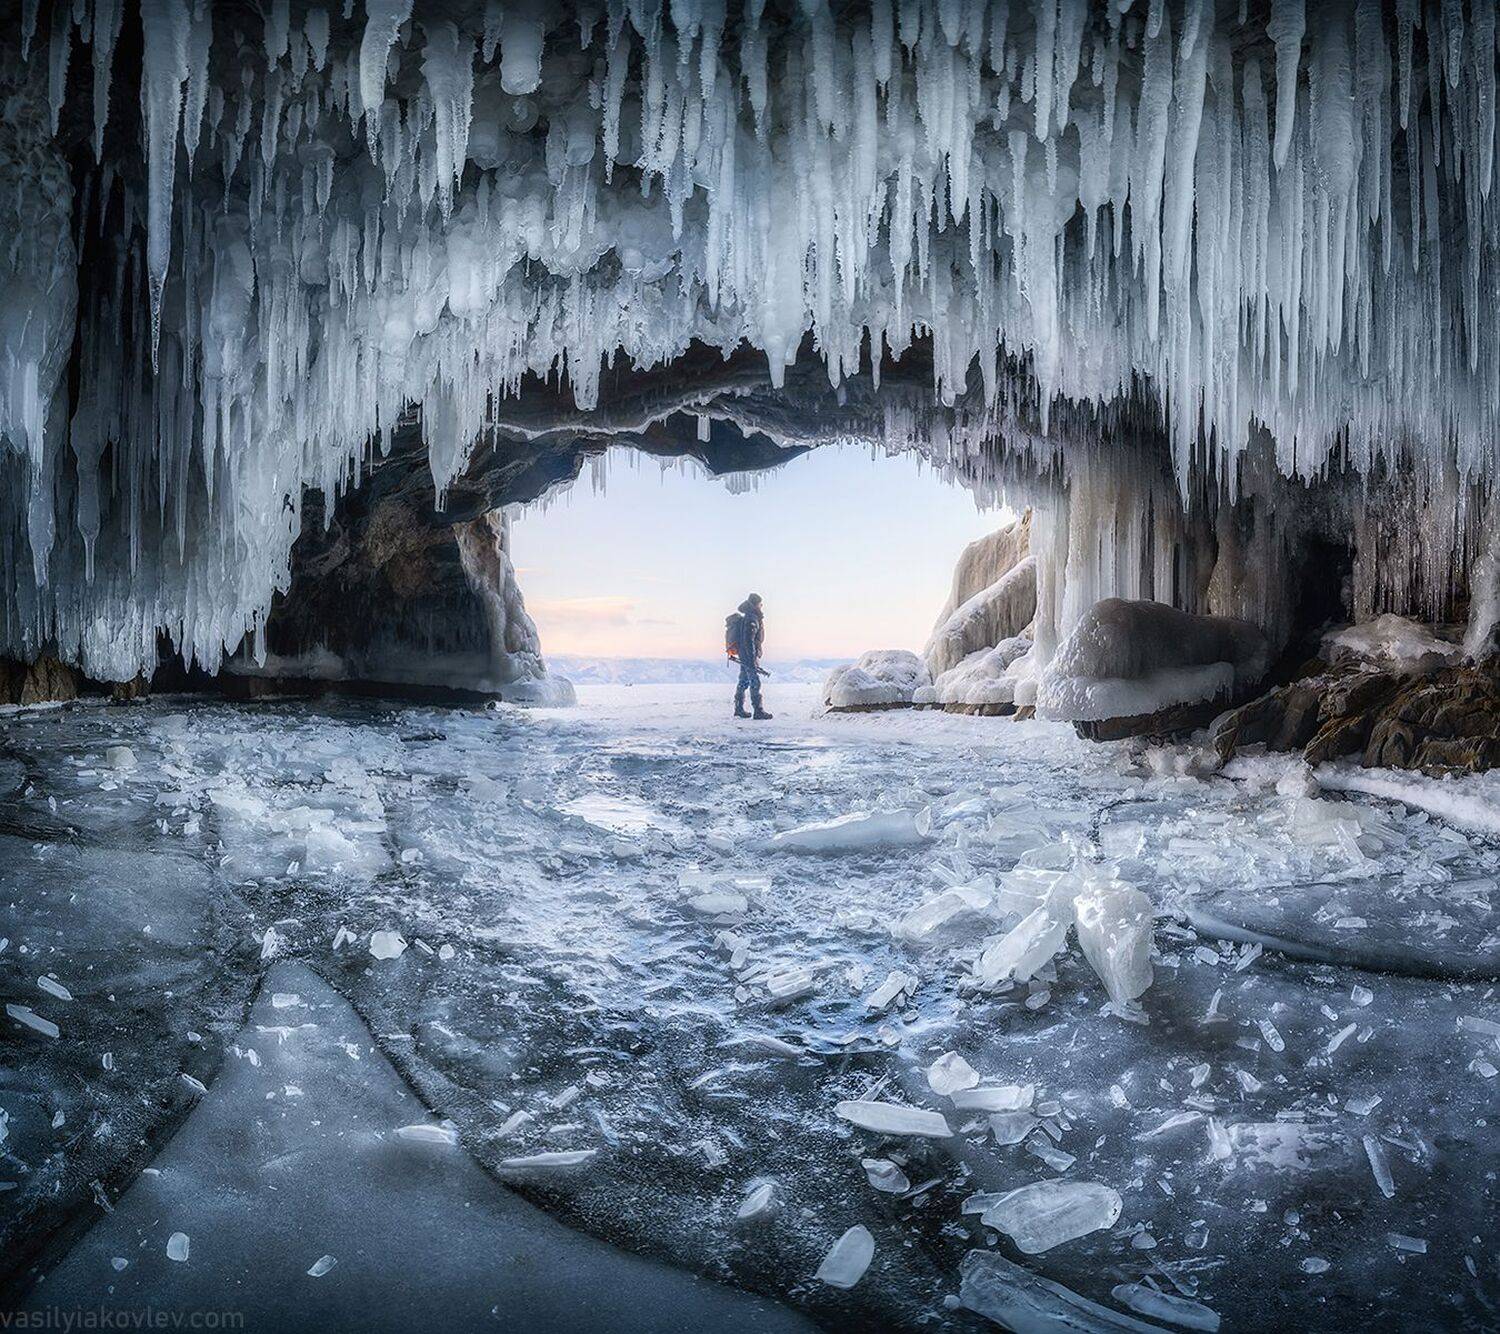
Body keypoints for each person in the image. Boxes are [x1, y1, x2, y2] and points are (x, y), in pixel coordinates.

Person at [729, 593, 772, 720]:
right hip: (748, 655)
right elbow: (749, 640)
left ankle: (739, 709)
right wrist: (752, 658)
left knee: (743, 681)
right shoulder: (752, 618)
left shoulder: (749, 616)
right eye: (760, 604)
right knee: (755, 682)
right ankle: (758, 711)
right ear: (756, 604)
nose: (761, 606)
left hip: (745, 654)